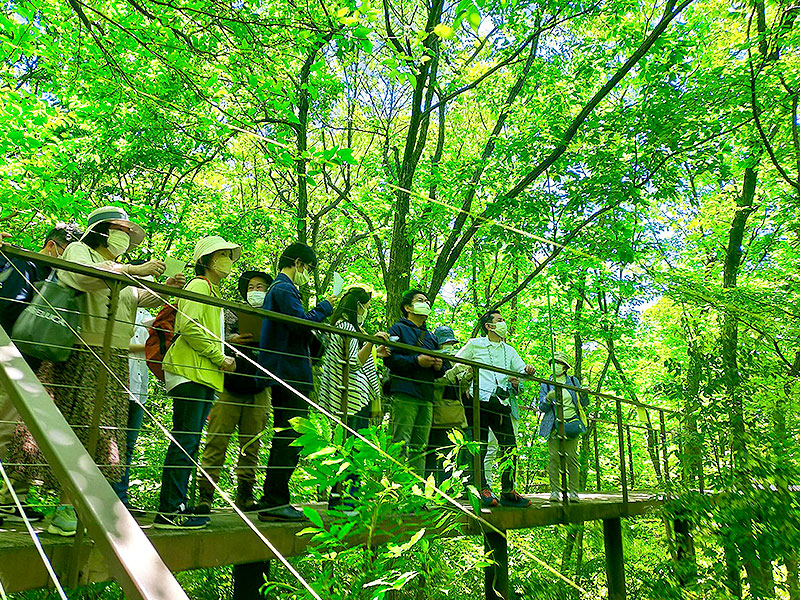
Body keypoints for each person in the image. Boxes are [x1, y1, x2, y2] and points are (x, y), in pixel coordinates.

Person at [6, 206, 181, 536]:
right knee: (80, 428)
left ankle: (69, 506)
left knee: (102, 434)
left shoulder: (120, 268)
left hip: (113, 356)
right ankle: (55, 505)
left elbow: (135, 300)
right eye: (120, 230)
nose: (125, 237)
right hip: (81, 353)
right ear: (101, 229)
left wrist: (164, 287)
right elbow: (82, 277)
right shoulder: (79, 250)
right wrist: (133, 268)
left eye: (129, 233)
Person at [154, 235, 240, 529]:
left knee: (190, 441)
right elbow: (187, 326)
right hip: (191, 371)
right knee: (186, 439)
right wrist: (220, 357)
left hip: (201, 374)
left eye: (229, 254)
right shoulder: (199, 285)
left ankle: (178, 504)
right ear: (207, 260)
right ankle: (169, 509)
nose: (228, 260)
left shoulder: (211, 291)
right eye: (223, 254)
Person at [0, 224, 83, 523]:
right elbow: (11, 306)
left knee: (19, 433)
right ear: (51, 245)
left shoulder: (52, 274)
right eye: (64, 251)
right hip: (11, 357)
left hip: (31, 362)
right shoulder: (24, 263)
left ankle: (15, 499)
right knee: (5, 427)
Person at [256, 242, 334, 522]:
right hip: (288, 373)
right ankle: (275, 501)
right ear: (298, 263)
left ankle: (273, 498)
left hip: (287, 371)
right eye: (308, 268)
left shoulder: (280, 290)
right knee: (290, 437)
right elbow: (299, 323)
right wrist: (325, 307)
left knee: (287, 436)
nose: (308, 273)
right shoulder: (283, 289)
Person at [195, 270, 273, 513]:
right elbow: (213, 335)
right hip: (229, 384)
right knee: (216, 440)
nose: (256, 291)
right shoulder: (230, 310)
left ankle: (245, 494)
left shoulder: (273, 316)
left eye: (261, 287)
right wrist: (232, 340)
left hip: (259, 388)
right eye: (252, 287)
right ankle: (205, 496)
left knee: (251, 444)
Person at [318, 287, 389, 510]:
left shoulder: (340, 327)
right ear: (358, 305)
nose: (366, 310)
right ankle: (345, 499)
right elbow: (353, 363)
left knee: (349, 446)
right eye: (366, 305)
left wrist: (374, 348)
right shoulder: (346, 327)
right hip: (350, 398)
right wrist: (370, 343)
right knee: (352, 447)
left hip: (350, 396)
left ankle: (345, 497)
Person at [456, 310, 536, 508]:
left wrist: (527, 372)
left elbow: (521, 370)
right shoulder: (474, 344)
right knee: (479, 446)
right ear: (489, 326)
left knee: (509, 446)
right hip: (477, 402)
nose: (504, 324)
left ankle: (508, 491)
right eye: (499, 321)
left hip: (501, 403)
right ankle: (481, 487)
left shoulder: (509, 350)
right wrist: (466, 377)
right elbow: (456, 363)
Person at [383, 290, 449, 478]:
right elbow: (390, 359)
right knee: (400, 443)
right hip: (405, 391)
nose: (426, 304)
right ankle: (396, 492)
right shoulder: (397, 330)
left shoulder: (431, 337)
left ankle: (416, 493)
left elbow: (442, 369)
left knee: (420, 446)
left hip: (427, 395)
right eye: (420, 301)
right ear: (407, 307)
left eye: (427, 301)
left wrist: (438, 365)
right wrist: (416, 360)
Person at [110, 303, 153, 512]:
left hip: (138, 390)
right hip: (116, 386)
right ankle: (106, 498)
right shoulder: (117, 307)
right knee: (110, 443)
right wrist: (147, 347)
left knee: (128, 445)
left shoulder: (148, 316)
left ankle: (121, 499)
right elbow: (112, 340)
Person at [538, 351, 589, 502]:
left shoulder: (573, 382)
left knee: (572, 458)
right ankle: (555, 492)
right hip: (554, 425)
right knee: (554, 458)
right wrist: (548, 399)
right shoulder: (546, 384)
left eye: (559, 363)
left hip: (571, 423)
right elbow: (542, 407)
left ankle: (574, 492)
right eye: (554, 363)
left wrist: (584, 394)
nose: (556, 366)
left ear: (565, 367)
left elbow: (583, 403)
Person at [426, 325, 472, 485]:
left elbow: (459, 388)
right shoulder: (432, 360)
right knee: (433, 453)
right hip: (437, 412)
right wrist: (450, 375)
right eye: (445, 342)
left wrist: (467, 376)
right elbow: (435, 384)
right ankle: (430, 487)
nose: (449, 346)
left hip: (454, 412)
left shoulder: (452, 362)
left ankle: (450, 487)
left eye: (451, 342)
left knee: (451, 454)